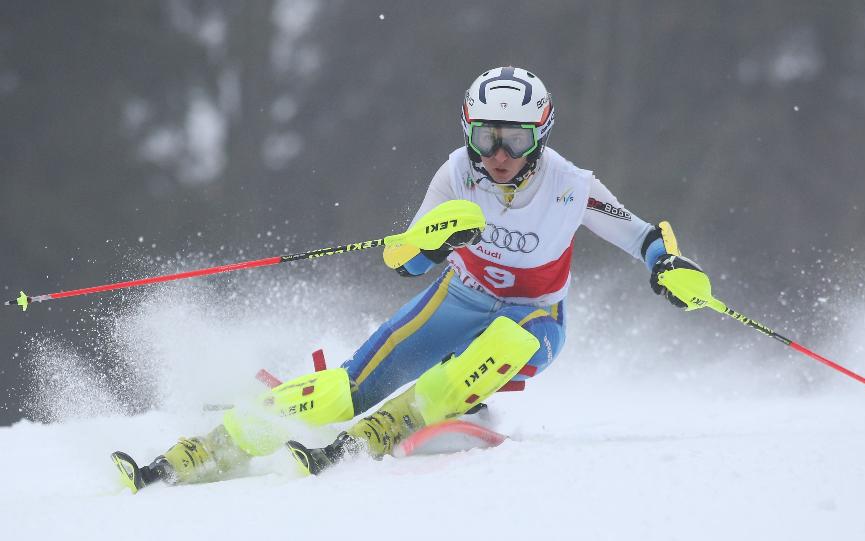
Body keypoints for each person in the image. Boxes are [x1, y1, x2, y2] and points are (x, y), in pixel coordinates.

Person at [111, 66, 703, 491]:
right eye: (485, 136)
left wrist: (668, 267)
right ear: (468, 132)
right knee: (346, 387)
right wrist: (434, 242)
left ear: (540, 136)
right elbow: (405, 261)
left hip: (534, 318)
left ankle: (402, 417)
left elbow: (641, 235)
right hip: (458, 299)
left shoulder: (571, 185)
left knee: (509, 343)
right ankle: (207, 447)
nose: (498, 153)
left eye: (515, 138)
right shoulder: (456, 174)